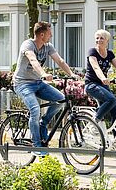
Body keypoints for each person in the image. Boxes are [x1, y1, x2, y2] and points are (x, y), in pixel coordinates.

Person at [13, 21, 76, 153]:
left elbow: (60, 61)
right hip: (22, 83)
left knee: (60, 100)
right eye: (49, 33)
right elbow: (33, 60)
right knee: (35, 109)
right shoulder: (28, 44)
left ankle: (43, 123)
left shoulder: (48, 46)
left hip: (38, 83)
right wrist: (43, 74)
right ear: (42, 34)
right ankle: (37, 145)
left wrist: (71, 74)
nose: (51, 35)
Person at [85, 29, 116, 130]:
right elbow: (96, 67)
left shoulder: (110, 54)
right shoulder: (92, 52)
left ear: (107, 41)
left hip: (103, 86)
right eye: (97, 38)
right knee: (111, 100)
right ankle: (95, 121)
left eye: (101, 38)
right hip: (92, 85)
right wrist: (103, 78)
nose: (98, 40)